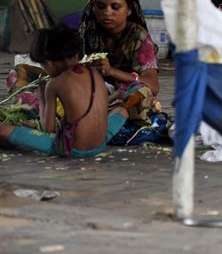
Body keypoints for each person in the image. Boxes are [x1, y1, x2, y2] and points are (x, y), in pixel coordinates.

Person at [0, 25, 127, 157]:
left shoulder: (54, 84)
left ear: (48, 63)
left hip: (72, 149)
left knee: (3, 130)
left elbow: (47, 129)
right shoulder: (94, 72)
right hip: (100, 145)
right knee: (121, 111)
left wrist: (42, 95)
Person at [78, 0, 160, 122]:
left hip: (123, 94)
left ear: (129, 9)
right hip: (94, 90)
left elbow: (153, 86)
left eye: (115, 7)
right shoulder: (88, 32)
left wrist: (111, 72)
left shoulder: (138, 37)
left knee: (140, 94)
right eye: (101, 6)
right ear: (93, 8)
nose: (107, 12)